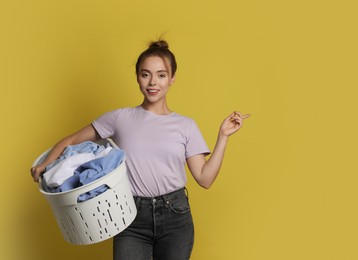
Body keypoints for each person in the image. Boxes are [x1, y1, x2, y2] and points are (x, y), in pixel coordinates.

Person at [31, 39, 250, 260]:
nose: (153, 82)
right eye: (146, 74)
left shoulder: (186, 125)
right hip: (130, 216)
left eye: (161, 75)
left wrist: (223, 137)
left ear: (172, 78)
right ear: (137, 77)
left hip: (176, 217)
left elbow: (205, 179)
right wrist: (46, 163)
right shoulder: (119, 118)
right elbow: (71, 141)